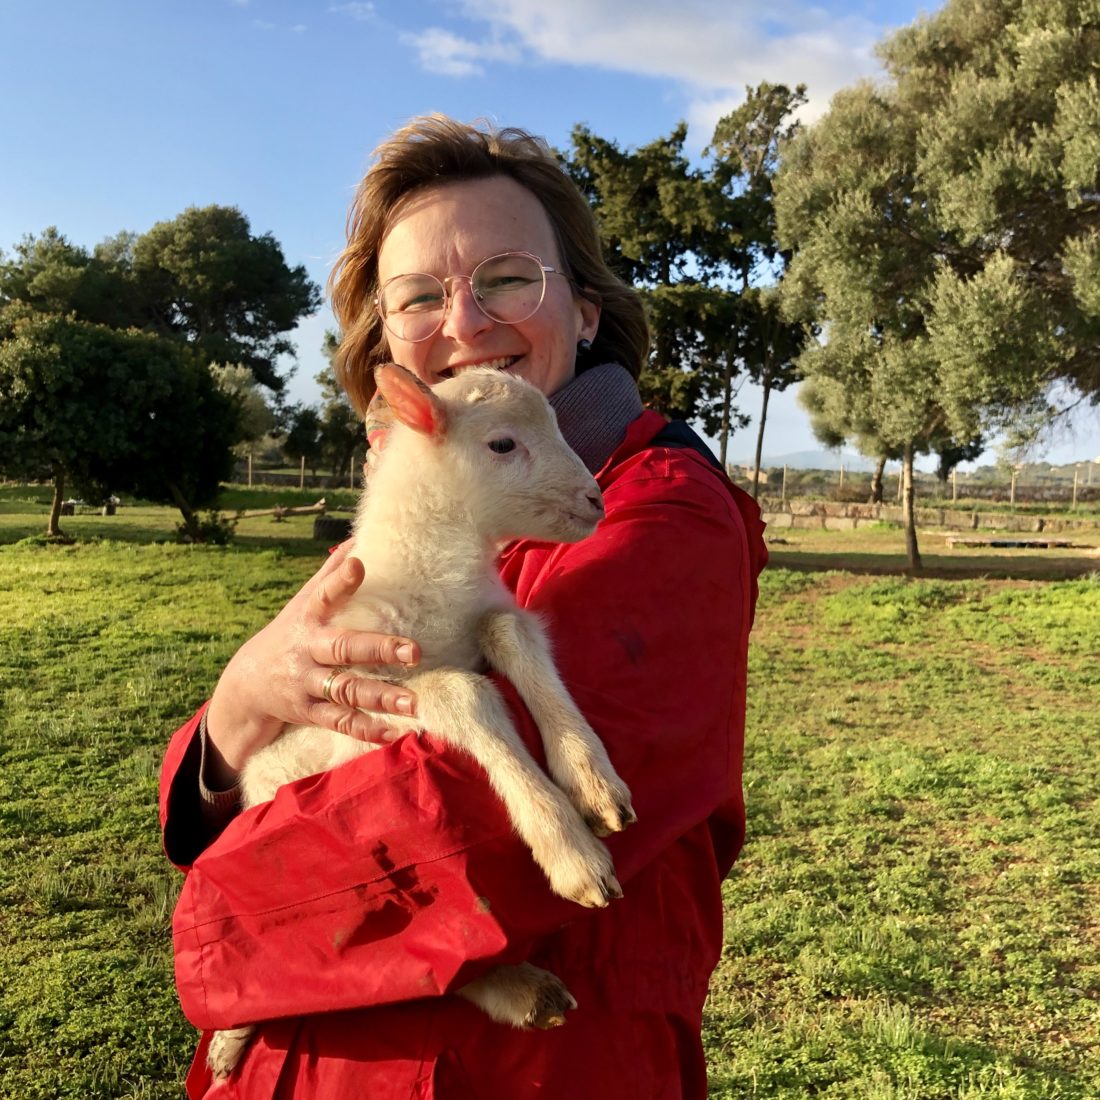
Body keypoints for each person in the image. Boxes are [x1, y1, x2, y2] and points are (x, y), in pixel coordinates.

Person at [160, 113, 768, 1100]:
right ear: (386, 336)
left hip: (519, 1068)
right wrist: (231, 714)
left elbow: (456, 824)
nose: (466, 322)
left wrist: (218, 921)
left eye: (507, 277)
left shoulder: (660, 510)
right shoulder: (421, 509)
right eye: (417, 296)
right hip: (313, 1053)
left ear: (580, 306)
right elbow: (258, 741)